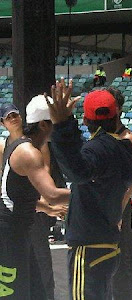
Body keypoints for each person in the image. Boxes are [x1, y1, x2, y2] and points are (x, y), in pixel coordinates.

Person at [47, 85, 132, 300]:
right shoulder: (122, 147)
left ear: (86, 121)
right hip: (107, 241)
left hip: (88, 246)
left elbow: (76, 170)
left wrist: (62, 125)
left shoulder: (97, 149)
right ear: (116, 114)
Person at [0, 97, 71, 299]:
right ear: (43, 124)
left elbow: (17, 194)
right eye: (56, 122)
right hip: (9, 235)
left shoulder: (22, 146)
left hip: (19, 230)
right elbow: (52, 194)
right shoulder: (28, 152)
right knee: (13, 294)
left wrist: (47, 209)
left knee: (37, 292)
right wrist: (94, 194)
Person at [106, 86, 132, 300]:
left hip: (119, 207)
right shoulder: (103, 135)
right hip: (106, 207)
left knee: (123, 262)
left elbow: (129, 184)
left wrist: (117, 212)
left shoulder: (127, 138)